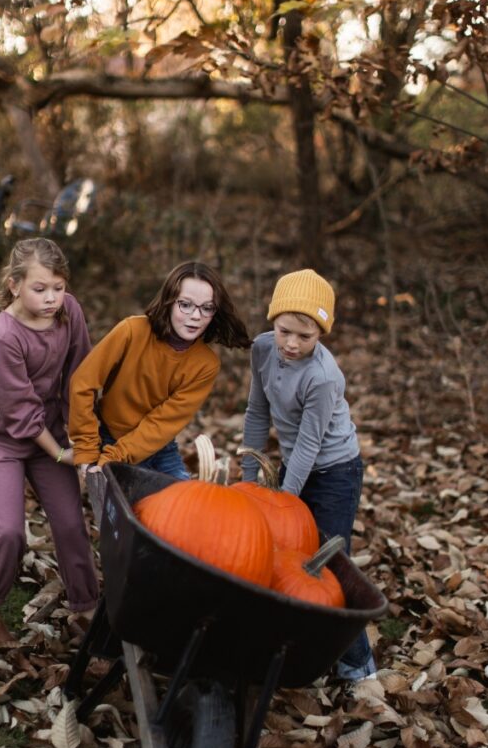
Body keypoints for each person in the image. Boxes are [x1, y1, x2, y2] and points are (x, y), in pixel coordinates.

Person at [240, 268, 376, 682]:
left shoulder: (322, 376)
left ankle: (359, 666)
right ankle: (289, 643)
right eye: (284, 331)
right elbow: (257, 413)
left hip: (334, 470)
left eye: (306, 336)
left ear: (321, 334)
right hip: (294, 459)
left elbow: (311, 445)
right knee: (280, 551)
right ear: (272, 323)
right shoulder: (262, 350)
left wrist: (284, 497)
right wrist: (250, 478)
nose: (292, 344)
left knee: (330, 561)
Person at [0, 238, 98, 648]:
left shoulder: (68, 312)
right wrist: (62, 454)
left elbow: (81, 372)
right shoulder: (2, 338)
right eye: (39, 289)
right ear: (14, 285)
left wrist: (82, 434)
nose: (51, 298)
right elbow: (21, 412)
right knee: (8, 532)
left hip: (52, 431)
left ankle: (86, 607)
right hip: (2, 438)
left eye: (58, 288)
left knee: (70, 524)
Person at [69, 261, 250, 481]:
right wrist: (87, 450)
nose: (196, 316)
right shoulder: (132, 331)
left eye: (207, 308)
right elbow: (83, 383)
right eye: (186, 304)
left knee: (183, 505)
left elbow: (162, 423)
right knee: (125, 509)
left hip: (160, 447)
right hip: (111, 439)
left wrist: (116, 456)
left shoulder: (205, 363)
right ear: (169, 302)